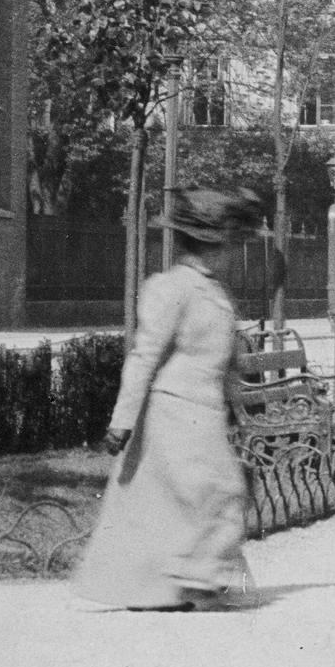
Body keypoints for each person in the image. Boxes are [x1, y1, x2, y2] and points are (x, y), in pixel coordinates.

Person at [73, 187, 258, 612]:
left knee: (195, 497)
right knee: (215, 489)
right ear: (211, 245)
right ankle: (192, 579)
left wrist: (241, 409)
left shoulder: (215, 292)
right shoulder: (170, 288)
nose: (233, 253)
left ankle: (179, 585)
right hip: (173, 412)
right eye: (229, 244)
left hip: (205, 411)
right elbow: (144, 355)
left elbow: (227, 361)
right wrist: (122, 421)